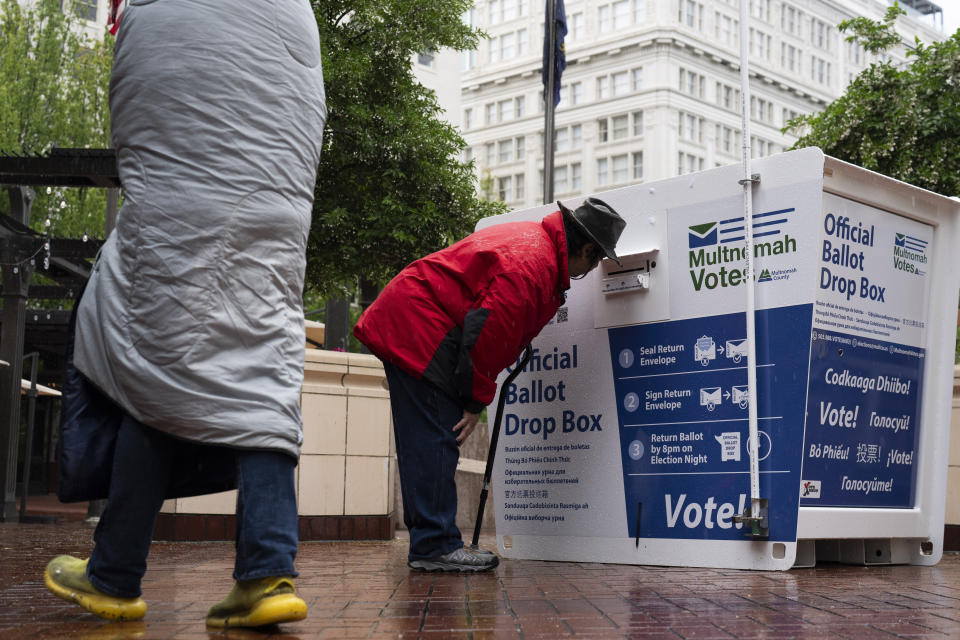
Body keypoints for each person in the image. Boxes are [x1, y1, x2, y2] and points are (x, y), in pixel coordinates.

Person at [43, 0, 327, 627]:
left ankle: (115, 574)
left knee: (158, 361)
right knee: (262, 369)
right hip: (276, 213)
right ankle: (268, 572)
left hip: (184, 206)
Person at [354, 198, 626, 572]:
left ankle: (431, 544)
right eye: (593, 263)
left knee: (428, 439)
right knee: (436, 438)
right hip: (422, 330)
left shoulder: (535, 245)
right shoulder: (533, 264)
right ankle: (435, 547)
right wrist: (474, 400)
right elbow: (488, 335)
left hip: (418, 323)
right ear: (587, 249)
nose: (589, 271)